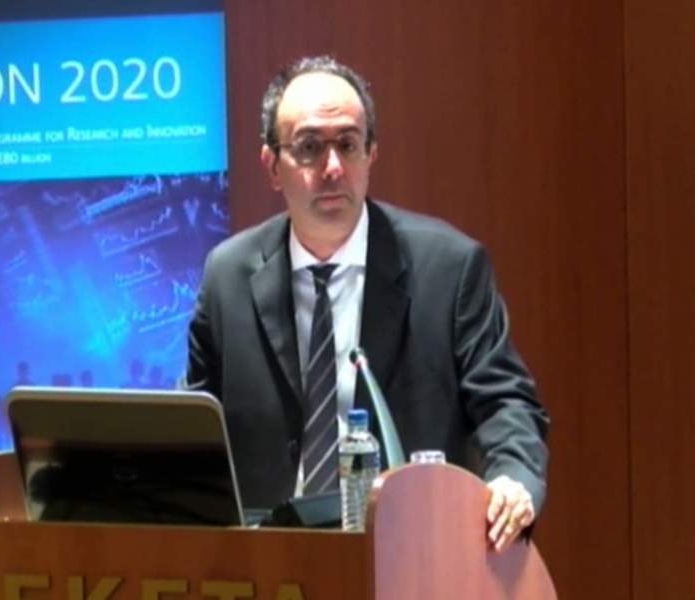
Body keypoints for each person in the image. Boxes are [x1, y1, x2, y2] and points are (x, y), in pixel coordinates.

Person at [184, 56, 549, 552]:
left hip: (412, 550)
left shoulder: (448, 269)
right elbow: (196, 428)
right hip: (269, 561)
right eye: (309, 148)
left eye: (348, 144)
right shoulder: (227, 276)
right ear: (271, 166)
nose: (333, 167)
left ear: (371, 154)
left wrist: (513, 479)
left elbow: (506, 403)